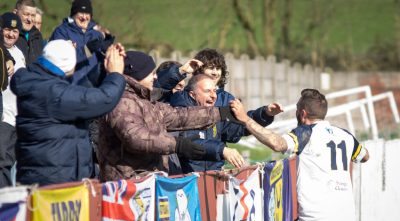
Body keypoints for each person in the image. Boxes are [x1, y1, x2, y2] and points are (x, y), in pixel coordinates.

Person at [230, 89, 370, 221]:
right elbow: (365, 156)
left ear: (302, 113)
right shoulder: (345, 135)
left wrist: (245, 119)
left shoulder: (306, 133)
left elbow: (278, 144)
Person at [97, 51, 239, 181]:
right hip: (125, 186)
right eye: (151, 72)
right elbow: (136, 137)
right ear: (137, 75)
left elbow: (180, 116)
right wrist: (177, 145)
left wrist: (221, 113)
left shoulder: (145, 102)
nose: (155, 76)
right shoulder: (122, 101)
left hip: (148, 182)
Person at [11, 40, 127, 186]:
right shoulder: (53, 94)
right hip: (54, 183)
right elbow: (103, 99)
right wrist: (115, 74)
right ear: (67, 64)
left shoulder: (38, 82)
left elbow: (82, 92)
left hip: (47, 176)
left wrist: (103, 68)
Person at [172, 74, 282, 174]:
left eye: (214, 91)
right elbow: (188, 142)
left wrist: (264, 114)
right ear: (192, 94)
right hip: (185, 179)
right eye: (207, 91)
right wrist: (222, 150)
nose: (213, 95)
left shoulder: (215, 111)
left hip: (213, 176)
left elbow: (236, 130)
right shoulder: (180, 110)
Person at [50, 0, 114, 86]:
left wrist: (106, 49)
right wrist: (86, 50)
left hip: (94, 88)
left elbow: (101, 64)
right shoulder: (61, 32)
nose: (84, 17)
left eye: (87, 14)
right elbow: (60, 60)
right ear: (73, 14)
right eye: (81, 13)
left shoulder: (96, 33)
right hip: (70, 87)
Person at [0, 12, 25, 188]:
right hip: (4, 119)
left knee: (14, 165)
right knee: (2, 164)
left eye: (15, 31)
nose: (11, 34)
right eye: (8, 29)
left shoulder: (19, 53)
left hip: (18, 119)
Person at [14, 0, 44, 65]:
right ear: (15, 12)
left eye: (33, 15)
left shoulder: (37, 35)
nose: (29, 19)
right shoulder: (8, 35)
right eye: (26, 14)